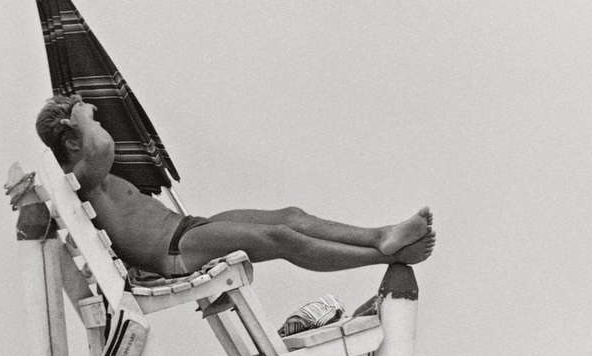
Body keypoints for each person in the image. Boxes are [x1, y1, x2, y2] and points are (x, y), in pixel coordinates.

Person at [34, 94, 435, 277]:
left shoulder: (96, 175)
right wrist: (82, 115)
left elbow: (102, 144)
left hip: (187, 229)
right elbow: (101, 145)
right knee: (281, 237)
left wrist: (81, 117)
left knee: (291, 216)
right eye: (90, 124)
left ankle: (381, 235)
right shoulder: (83, 180)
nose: (99, 127)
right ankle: (389, 257)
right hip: (176, 252)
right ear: (72, 140)